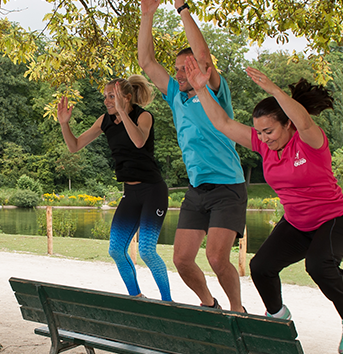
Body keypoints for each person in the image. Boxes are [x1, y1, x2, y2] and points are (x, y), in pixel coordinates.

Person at [184, 59, 343, 354]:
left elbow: (304, 120)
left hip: (338, 219)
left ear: (287, 124)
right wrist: (202, 90)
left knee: (318, 265)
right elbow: (224, 124)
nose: (264, 138)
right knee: (261, 267)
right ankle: (278, 317)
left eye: (270, 131)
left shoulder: (309, 142)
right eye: (260, 132)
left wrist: (272, 88)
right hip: (297, 224)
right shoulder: (263, 145)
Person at [138, 0, 247, 312]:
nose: (180, 74)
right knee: (182, 260)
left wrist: (182, 8)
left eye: (186, 69)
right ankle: (209, 304)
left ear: (202, 70)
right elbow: (146, 61)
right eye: (177, 70)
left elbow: (203, 56)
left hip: (228, 188)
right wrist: (148, 14)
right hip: (198, 190)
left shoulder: (213, 91)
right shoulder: (176, 96)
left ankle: (238, 310)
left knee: (216, 257)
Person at [56, 77, 171, 300]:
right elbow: (75, 146)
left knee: (147, 250)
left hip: (153, 191)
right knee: (116, 250)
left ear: (126, 97)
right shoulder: (104, 120)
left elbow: (138, 141)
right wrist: (64, 123)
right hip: (131, 193)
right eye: (106, 97)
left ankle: (168, 302)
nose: (107, 101)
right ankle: (136, 298)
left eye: (112, 96)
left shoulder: (143, 116)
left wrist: (123, 113)